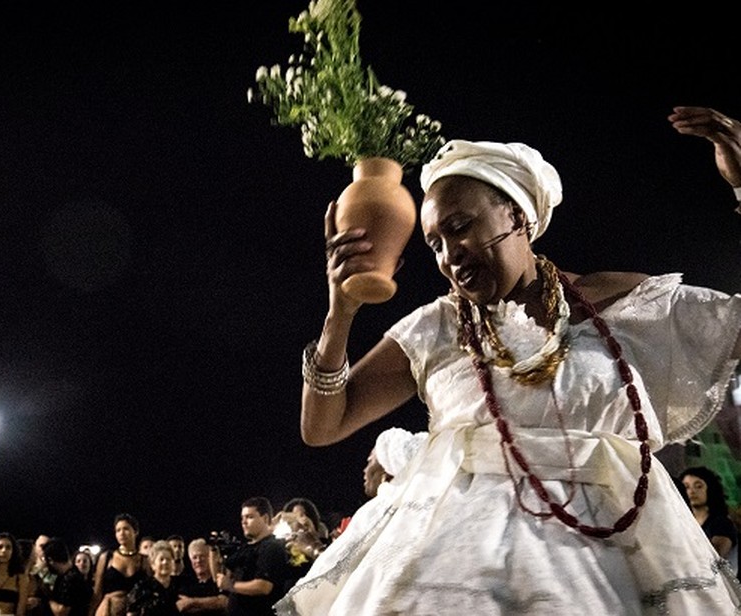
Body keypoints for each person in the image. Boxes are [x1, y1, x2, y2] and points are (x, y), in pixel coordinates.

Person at [276, 106, 741, 615]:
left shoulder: (619, 304)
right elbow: (322, 426)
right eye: (435, 243)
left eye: (460, 227)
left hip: (613, 571)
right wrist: (339, 312)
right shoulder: (439, 326)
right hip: (462, 577)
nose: (450, 254)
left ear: (517, 215)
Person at [214, 497, 289, 615]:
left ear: (265, 518)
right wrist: (214, 549)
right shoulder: (245, 548)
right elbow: (221, 575)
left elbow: (264, 586)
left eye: (250, 517)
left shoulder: (272, 547)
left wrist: (231, 585)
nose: (243, 522)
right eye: (242, 518)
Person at [679, 466, 739, 570]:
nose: (692, 491)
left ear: (710, 488)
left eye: (698, 486)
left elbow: (715, 557)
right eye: (686, 487)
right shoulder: (683, 524)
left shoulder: (721, 523)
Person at [91, 513, 149, 616]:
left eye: (126, 529)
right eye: (118, 530)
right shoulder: (107, 557)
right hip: (109, 610)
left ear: (135, 531)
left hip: (136, 611)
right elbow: (97, 592)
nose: (121, 533)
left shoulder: (144, 560)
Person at [125, 540, 181, 616]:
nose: (165, 562)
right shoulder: (141, 588)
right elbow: (131, 612)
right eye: (161, 559)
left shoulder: (180, 585)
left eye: (169, 559)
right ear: (153, 564)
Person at [0, 532, 30, 616]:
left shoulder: (20, 577)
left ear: (13, 551)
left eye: (8, 547)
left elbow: (21, 609)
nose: (4, 551)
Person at [175, 538, 228, 615]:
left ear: (210, 558)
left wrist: (191, 602)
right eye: (194, 557)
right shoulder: (185, 582)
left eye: (202, 556)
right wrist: (210, 603)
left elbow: (224, 602)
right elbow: (181, 606)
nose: (198, 561)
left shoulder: (220, 580)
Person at [43, 537, 93, 616]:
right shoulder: (72, 575)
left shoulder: (70, 579)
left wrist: (47, 596)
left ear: (50, 560)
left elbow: (61, 612)